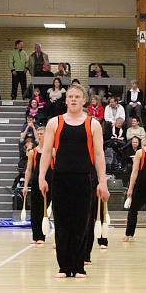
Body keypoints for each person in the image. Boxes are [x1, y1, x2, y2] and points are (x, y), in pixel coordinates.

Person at [38, 85, 109, 278]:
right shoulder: (55, 122)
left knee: (81, 223)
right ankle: (64, 267)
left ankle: (78, 266)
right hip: (60, 178)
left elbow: (99, 155)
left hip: (84, 179)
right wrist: (42, 176)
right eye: (70, 96)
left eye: (77, 96)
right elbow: (46, 152)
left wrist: (102, 181)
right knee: (62, 223)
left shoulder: (93, 124)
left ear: (84, 100)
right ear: (66, 99)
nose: (74, 99)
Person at [124, 129, 146, 241]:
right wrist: (130, 188)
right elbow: (134, 172)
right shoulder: (139, 153)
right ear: (145, 138)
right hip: (140, 186)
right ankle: (129, 233)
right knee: (133, 210)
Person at [23, 126, 49, 244]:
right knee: (35, 210)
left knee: (45, 209)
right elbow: (29, 169)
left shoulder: (52, 151)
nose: (39, 136)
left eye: (42, 134)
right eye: (38, 134)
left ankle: (42, 236)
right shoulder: (32, 152)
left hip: (49, 181)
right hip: (36, 182)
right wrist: (25, 185)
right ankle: (36, 236)